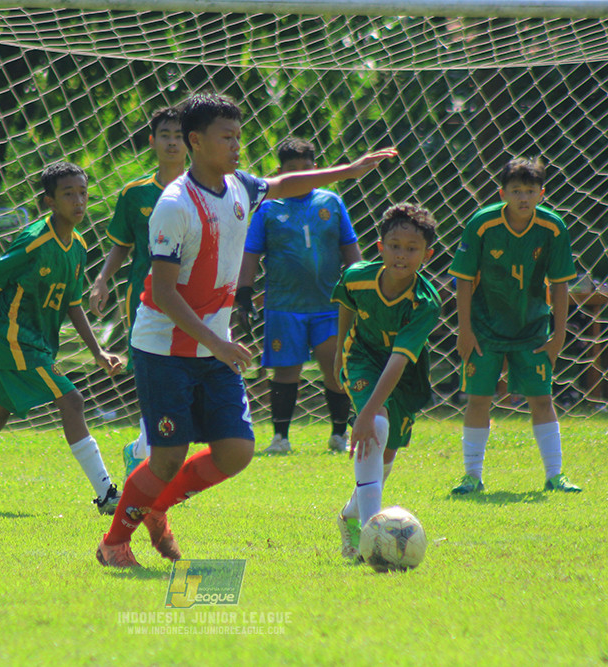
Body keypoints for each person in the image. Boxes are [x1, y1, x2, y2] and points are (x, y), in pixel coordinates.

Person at [95, 92, 398, 568]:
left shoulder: (239, 187)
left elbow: (284, 183)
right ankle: (114, 542)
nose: (237, 145)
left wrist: (349, 171)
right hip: (164, 348)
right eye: (227, 137)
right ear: (196, 142)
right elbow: (165, 293)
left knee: (236, 451)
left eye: (239, 136)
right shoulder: (174, 205)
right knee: (167, 457)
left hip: (213, 348)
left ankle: (157, 507)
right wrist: (217, 342)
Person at [0, 161, 124, 514]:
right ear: (50, 201)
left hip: (37, 344)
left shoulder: (78, 246)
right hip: (15, 340)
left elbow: (73, 304)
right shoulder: (34, 240)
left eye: (82, 193)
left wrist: (97, 351)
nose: (78, 201)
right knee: (73, 401)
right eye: (68, 194)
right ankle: (107, 494)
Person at [448, 157, 581, 495]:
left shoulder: (553, 227)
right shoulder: (482, 224)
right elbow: (463, 279)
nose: (523, 197)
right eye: (516, 190)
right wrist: (465, 330)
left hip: (531, 329)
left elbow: (561, 283)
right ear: (502, 193)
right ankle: (472, 476)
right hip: (484, 329)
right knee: (478, 399)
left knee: (542, 399)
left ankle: (555, 475)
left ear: (541, 194)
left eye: (530, 191)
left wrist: (559, 335)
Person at [236, 136, 360, 455]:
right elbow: (251, 252)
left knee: (335, 365)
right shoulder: (267, 208)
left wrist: (359, 286)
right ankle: (280, 438)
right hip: (284, 307)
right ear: (281, 172)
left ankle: (339, 435)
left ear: (315, 169)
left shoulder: (331, 202)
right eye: (293, 170)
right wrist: (244, 292)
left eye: (307, 168)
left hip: (328, 305)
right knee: (286, 371)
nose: (302, 175)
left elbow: (349, 246)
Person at [332, 203, 441, 560]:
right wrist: (339, 354)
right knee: (376, 428)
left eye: (412, 248)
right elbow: (347, 303)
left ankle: (351, 514)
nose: (401, 255)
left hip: (402, 373)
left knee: (386, 451)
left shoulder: (425, 302)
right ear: (380, 247)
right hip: (361, 357)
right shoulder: (357, 277)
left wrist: (366, 415)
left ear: (427, 254)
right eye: (394, 246)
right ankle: (371, 540)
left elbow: (398, 359)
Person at [89, 107, 187, 479]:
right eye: (165, 135)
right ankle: (150, 454)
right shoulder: (135, 193)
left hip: (193, 296)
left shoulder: (203, 190)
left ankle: (142, 450)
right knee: (153, 371)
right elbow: (122, 245)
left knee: (184, 375)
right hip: (145, 299)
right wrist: (102, 279)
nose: (172, 142)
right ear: (152, 141)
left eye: (179, 135)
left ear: (191, 142)